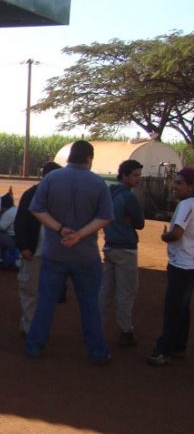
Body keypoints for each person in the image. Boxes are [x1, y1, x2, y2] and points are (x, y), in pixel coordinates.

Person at [26, 140, 113, 363]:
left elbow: (37, 209)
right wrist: (79, 234)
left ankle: (35, 344)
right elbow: (105, 217)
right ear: (89, 158)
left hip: (54, 251)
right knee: (89, 304)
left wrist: (60, 229)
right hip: (86, 254)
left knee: (45, 301)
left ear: (69, 157)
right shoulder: (98, 183)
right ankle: (97, 351)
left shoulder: (52, 179)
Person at [147, 167, 194, 366]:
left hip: (182, 264)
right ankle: (178, 346)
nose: (174, 186)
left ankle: (163, 350)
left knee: (174, 308)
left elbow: (176, 234)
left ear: (191, 187)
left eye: (179, 183)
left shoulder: (186, 205)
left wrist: (164, 236)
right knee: (183, 308)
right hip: (189, 263)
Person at [99, 159, 145, 346]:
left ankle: (97, 327)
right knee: (126, 292)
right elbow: (140, 223)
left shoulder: (109, 193)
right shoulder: (128, 196)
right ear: (124, 175)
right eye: (135, 175)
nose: (138, 179)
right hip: (126, 248)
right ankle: (126, 330)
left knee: (105, 291)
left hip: (110, 245)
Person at [15, 162, 62, 335]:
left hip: (50, 252)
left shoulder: (58, 197)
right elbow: (20, 222)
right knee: (30, 290)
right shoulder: (31, 194)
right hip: (34, 251)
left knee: (43, 292)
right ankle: (30, 327)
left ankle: (31, 324)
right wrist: (23, 246)